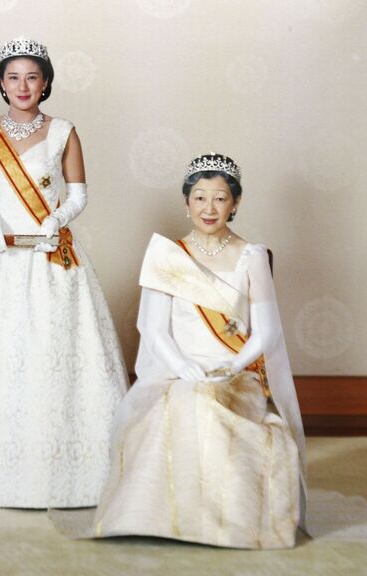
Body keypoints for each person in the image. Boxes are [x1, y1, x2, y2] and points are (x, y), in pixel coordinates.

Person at [0, 38, 129, 508]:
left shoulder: (64, 131)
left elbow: (78, 194)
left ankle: (66, 474)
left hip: (49, 253)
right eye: (13, 77)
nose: (23, 86)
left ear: (46, 83)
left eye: (32, 77)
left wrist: (57, 218)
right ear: (1, 83)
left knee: (52, 351)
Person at [73, 153, 307, 548]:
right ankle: (155, 520)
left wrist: (231, 366)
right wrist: (183, 366)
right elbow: (152, 326)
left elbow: (266, 333)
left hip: (235, 372)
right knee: (181, 402)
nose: (209, 208)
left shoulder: (252, 257)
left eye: (219, 198)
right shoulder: (167, 255)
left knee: (209, 402)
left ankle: (226, 525)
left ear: (236, 202)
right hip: (175, 371)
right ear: (186, 203)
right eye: (199, 198)